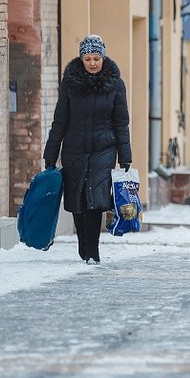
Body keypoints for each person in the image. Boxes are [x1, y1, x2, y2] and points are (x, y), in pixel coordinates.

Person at [43, 35, 132, 265]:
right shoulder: (70, 83)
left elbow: (121, 124)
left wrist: (125, 157)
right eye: (87, 58)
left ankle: (93, 250)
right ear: (81, 59)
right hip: (74, 149)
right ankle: (83, 245)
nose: (92, 63)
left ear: (103, 57)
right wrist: (50, 155)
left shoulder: (115, 84)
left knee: (97, 199)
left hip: (104, 150)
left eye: (96, 58)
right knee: (77, 199)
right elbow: (59, 121)